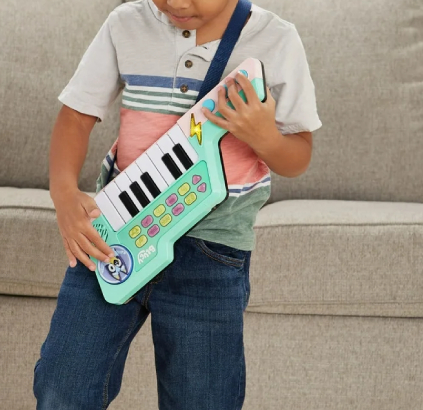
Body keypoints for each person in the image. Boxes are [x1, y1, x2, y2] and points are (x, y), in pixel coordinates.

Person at [33, 0, 321, 408]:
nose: (176, 3)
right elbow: (77, 115)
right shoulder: (125, 25)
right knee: (62, 383)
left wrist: (265, 137)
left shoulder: (276, 40)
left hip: (211, 250)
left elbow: (299, 154)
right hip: (115, 233)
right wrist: (63, 193)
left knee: (201, 399)